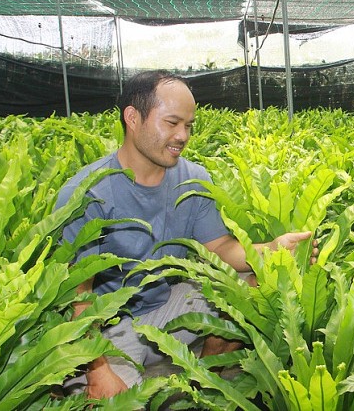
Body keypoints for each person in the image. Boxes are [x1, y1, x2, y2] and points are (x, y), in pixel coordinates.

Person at [56, 70, 315, 399]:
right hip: (108, 328)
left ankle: (202, 386)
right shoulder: (87, 193)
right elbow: (78, 299)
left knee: (248, 288)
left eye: (189, 125)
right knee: (114, 403)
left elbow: (220, 247)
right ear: (133, 118)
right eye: (172, 122)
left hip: (167, 304)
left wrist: (272, 250)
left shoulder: (192, 177)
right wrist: (98, 372)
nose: (183, 135)